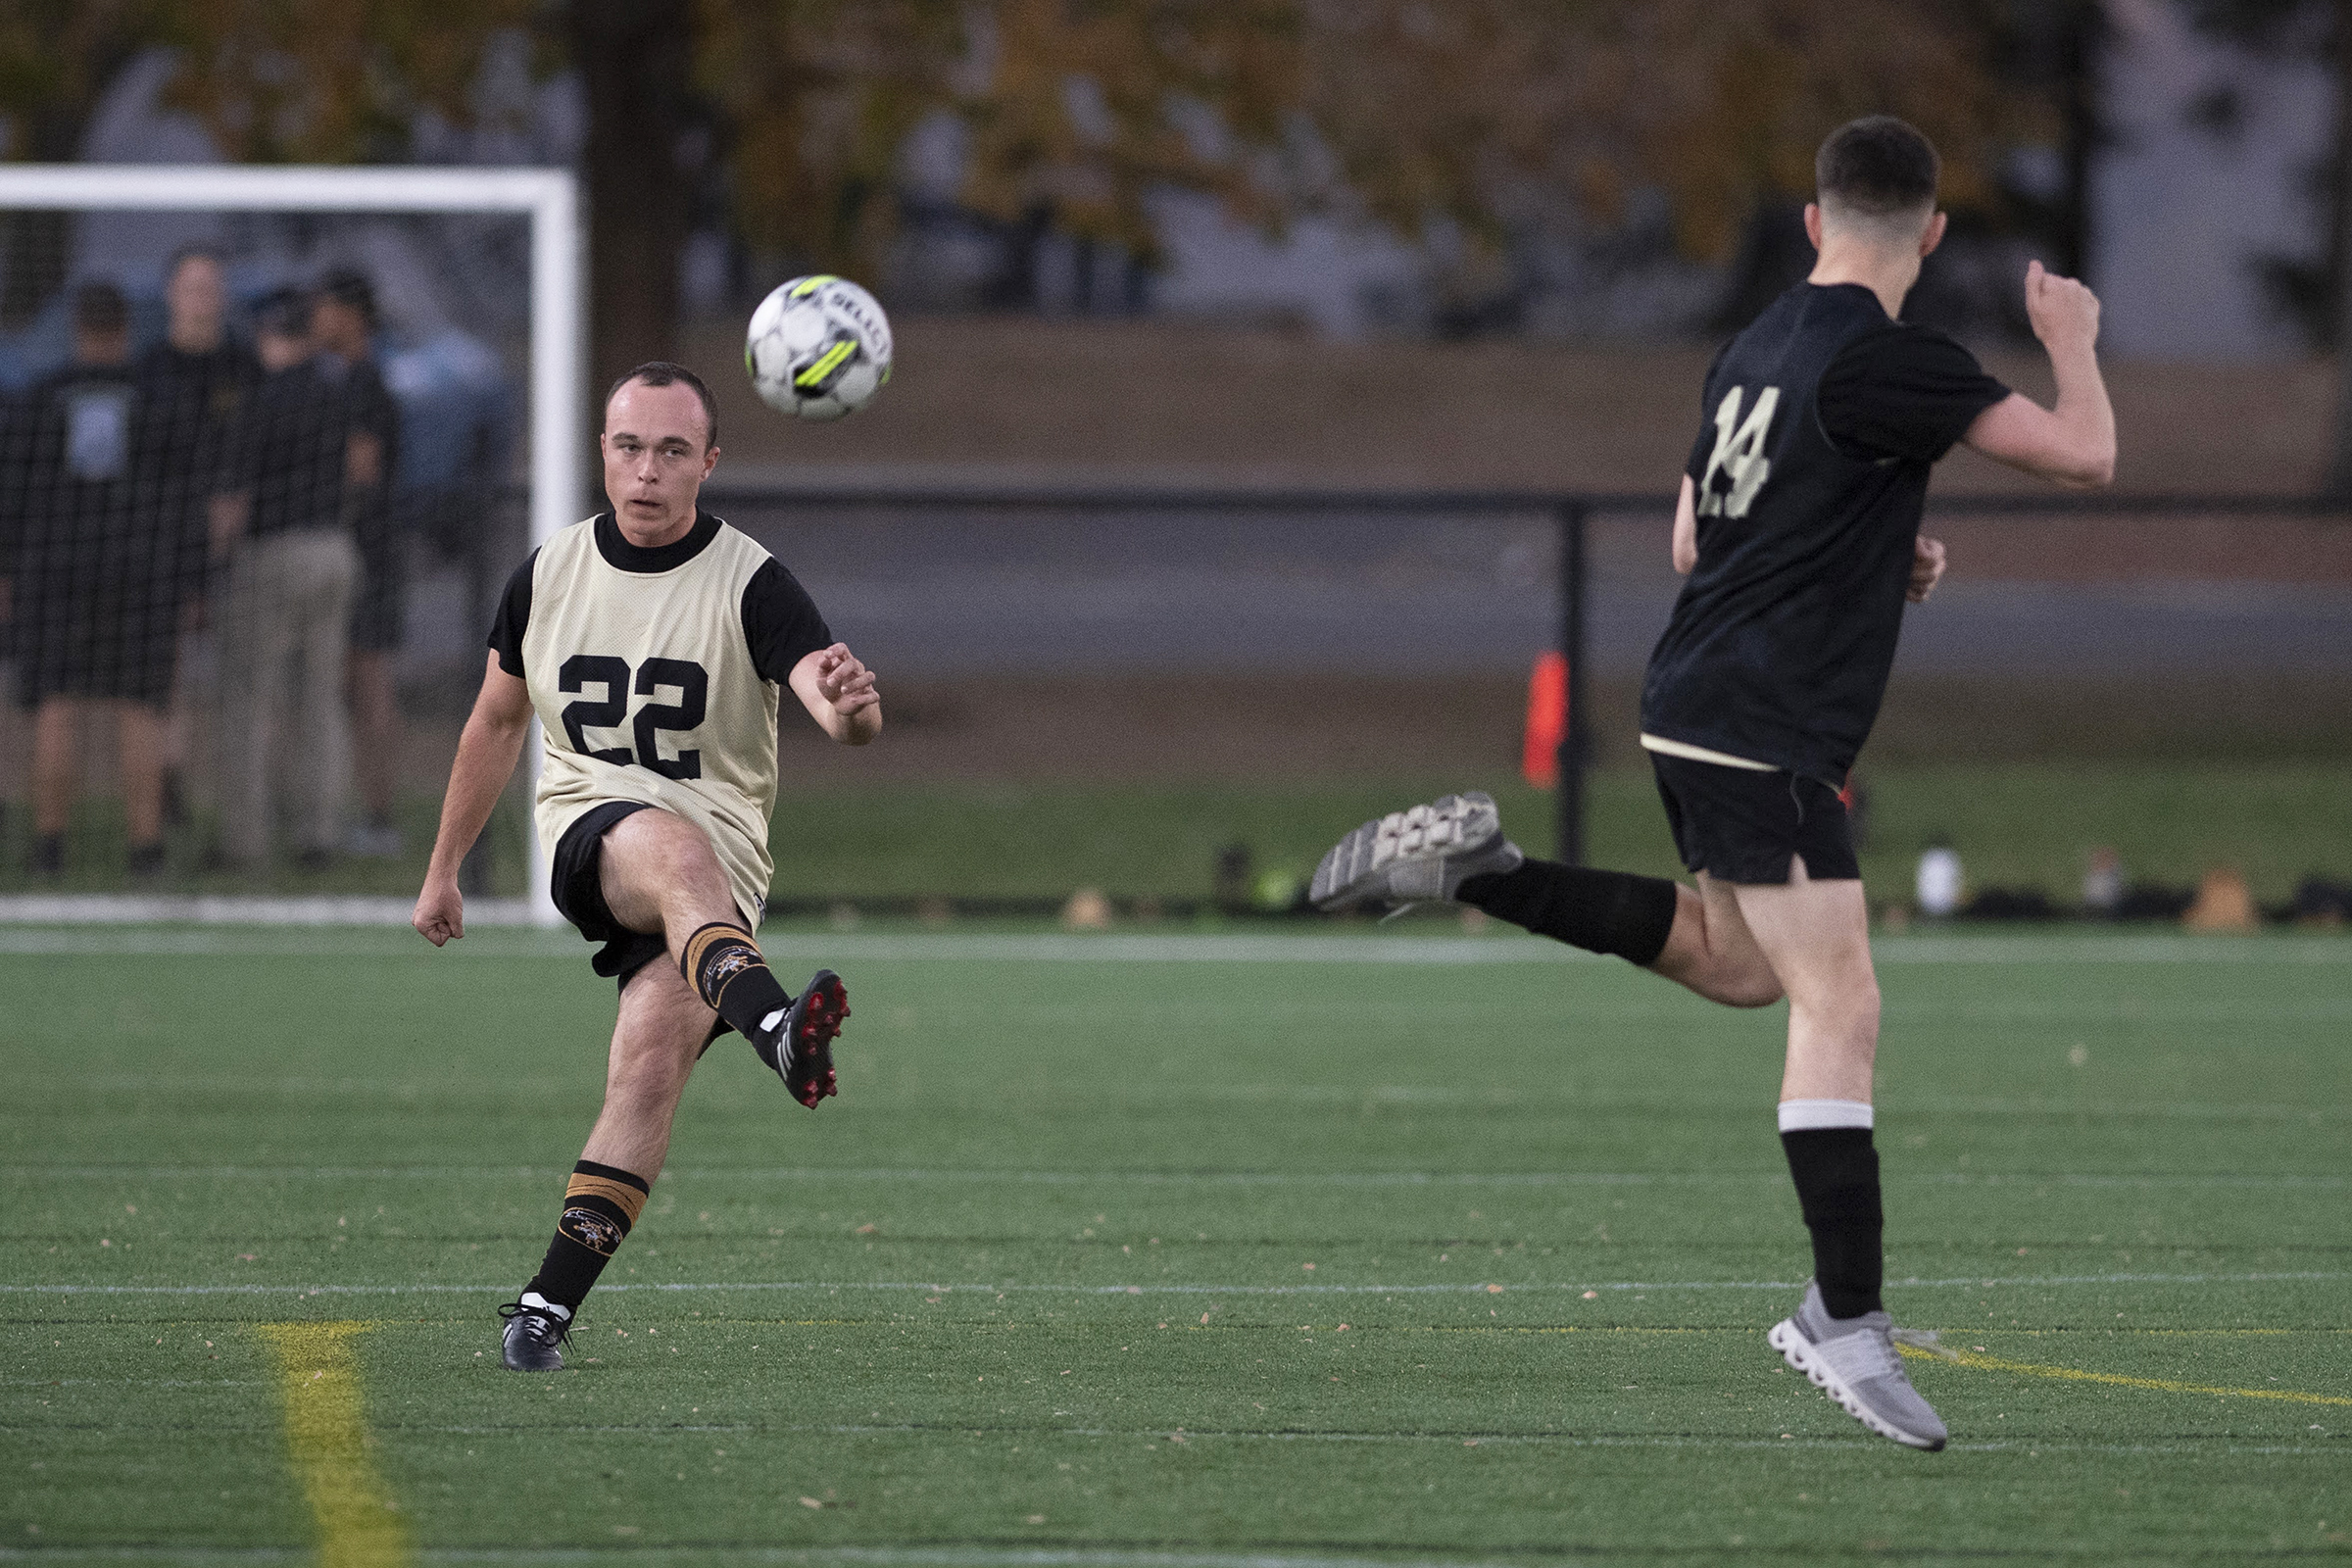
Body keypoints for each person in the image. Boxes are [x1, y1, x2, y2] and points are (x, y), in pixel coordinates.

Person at [1308, 117, 2114, 1451]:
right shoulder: (1898, 361)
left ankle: (1480, 873)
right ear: (1933, 233)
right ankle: (1841, 1317)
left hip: (1695, 703)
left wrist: (1874, 544)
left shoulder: (1757, 343)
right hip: (1761, 724)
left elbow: (1698, 535)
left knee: (1743, 970)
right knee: (1838, 997)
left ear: (1812, 223)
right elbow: (2087, 456)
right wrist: (2072, 335)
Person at [411, 362, 881, 1371]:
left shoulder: (753, 580)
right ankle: (775, 1027)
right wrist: (444, 866)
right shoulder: (548, 573)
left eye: (674, 450)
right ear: (602, 453)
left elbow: (834, 707)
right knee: (667, 838)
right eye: (630, 446)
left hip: (718, 889)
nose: (648, 469)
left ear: (709, 462)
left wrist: (854, 703)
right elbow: (495, 721)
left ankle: (544, 1309)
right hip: (598, 839)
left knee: (650, 1063)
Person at [1, 281, 173, 879]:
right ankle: (145, 850)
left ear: (77, 327)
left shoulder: (38, 396)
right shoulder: (154, 397)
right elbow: (174, 497)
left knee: (54, 703)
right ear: (125, 330)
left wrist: (6, 571)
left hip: (52, 569)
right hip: (136, 570)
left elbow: (12, 491)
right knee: (139, 705)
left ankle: (50, 846)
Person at [210, 289, 362, 870]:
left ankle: (244, 842)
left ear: (269, 335)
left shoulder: (259, 399)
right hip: (334, 549)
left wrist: (215, 565)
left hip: (273, 553)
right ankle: (319, 833)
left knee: (248, 699)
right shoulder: (335, 393)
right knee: (320, 699)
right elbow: (358, 468)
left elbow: (232, 499)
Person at [135, 246, 261, 832]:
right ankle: (164, 782)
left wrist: (231, 518)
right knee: (166, 671)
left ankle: (243, 815)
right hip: (160, 547)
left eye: (212, 285)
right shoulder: (149, 370)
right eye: (191, 285)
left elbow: (256, 454)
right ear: (170, 293)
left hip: (243, 550)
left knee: (242, 681)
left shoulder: (242, 367)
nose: (202, 296)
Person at [311, 269, 406, 858]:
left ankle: (377, 817)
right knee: (345, 684)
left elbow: (363, 471)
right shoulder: (345, 379)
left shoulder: (364, 384)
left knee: (367, 683)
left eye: (324, 309)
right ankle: (351, 813)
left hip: (367, 551)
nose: (317, 321)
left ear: (350, 315)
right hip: (360, 549)